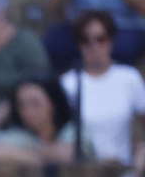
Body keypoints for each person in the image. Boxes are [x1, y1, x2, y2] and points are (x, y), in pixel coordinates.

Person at [59, 9, 145, 164]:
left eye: (100, 39)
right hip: (80, 171)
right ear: (79, 45)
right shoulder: (67, 83)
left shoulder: (129, 78)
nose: (94, 46)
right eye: (86, 40)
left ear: (111, 41)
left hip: (121, 168)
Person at [0, 78, 86, 164]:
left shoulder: (74, 128)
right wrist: (42, 156)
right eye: (21, 105)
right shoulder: (19, 134)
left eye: (35, 104)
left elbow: (68, 154)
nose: (28, 111)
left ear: (54, 103)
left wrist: (24, 153)